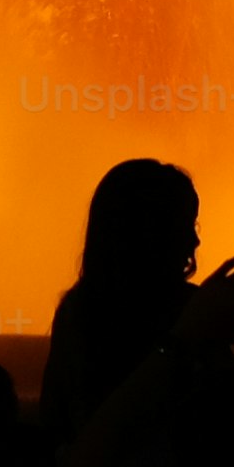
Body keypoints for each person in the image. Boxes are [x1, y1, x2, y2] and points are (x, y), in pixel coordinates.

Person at [44, 155, 202, 437]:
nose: (195, 240)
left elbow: (58, 418)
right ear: (152, 233)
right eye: (186, 225)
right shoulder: (190, 309)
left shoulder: (77, 312)